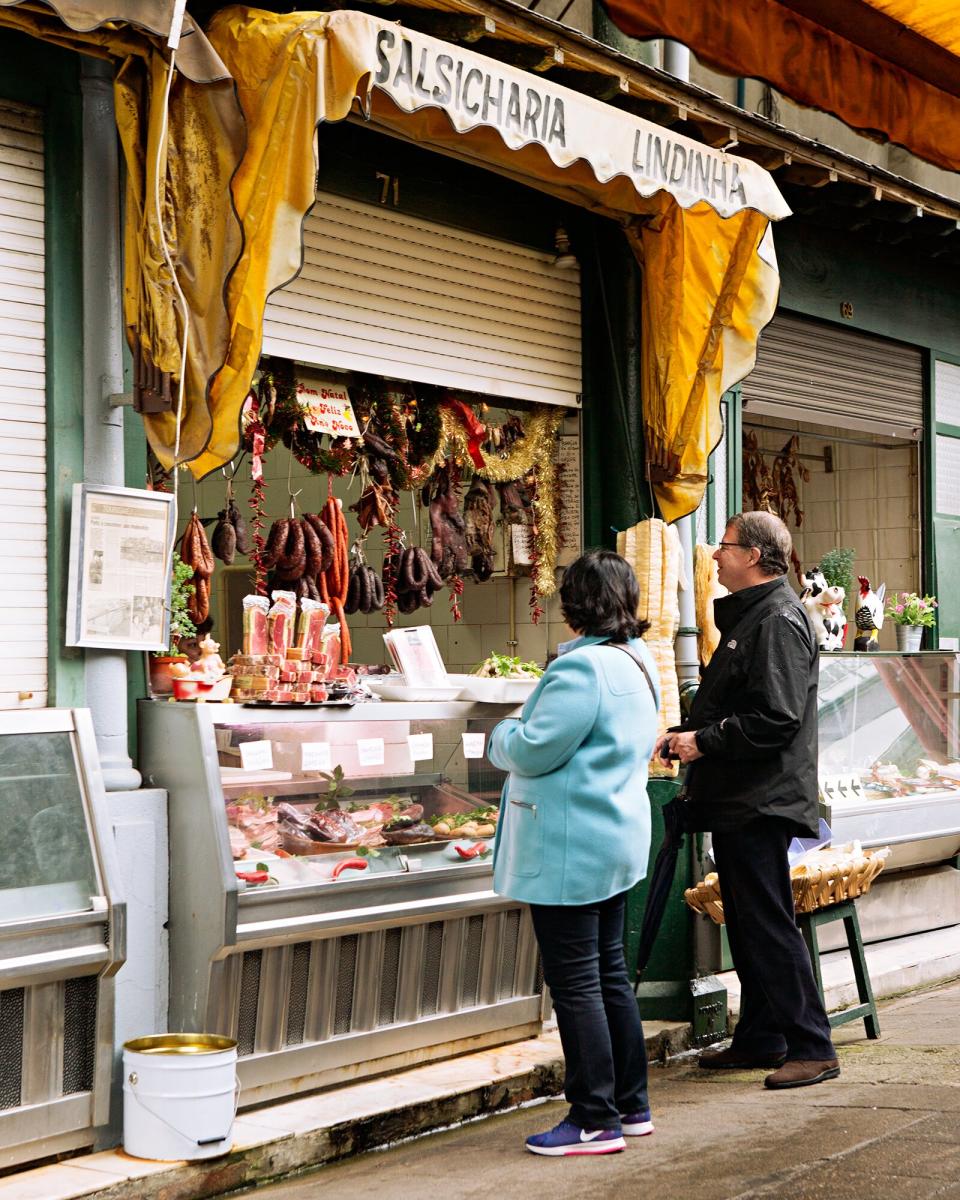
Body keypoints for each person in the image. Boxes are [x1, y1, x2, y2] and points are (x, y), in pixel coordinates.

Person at [488, 549, 660, 1156]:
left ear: (575, 605)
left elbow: (533, 749)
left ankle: (593, 1119)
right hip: (613, 837)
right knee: (609, 974)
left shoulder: (580, 671)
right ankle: (630, 1105)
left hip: (568, 847)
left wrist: (500, 735)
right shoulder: (638, 661)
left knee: (578, 985)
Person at [660, 511, 839, 1090]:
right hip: (742, 797)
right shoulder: (757, 617)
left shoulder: (778, 620)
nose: (713, 556)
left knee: (767, 923)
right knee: (749, 921)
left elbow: (776, 717)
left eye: (725, 547)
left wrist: (701, 741)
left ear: (757, 557)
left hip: (761, 800)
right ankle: (762, 1037)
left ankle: (812, 1046)